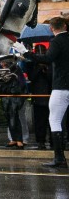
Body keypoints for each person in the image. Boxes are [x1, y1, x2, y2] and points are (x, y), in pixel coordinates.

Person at [23, 16, 69, 168]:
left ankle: (60, 158)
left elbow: (48, 58)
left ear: (51, 28)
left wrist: (27, 53)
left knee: (55, 120)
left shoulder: (56, 41)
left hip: (61, 86)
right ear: (64, 26)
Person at [28, 44, 53, 150]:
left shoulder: (51, 63)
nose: (40, 54)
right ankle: (41, 141)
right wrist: (39, 68)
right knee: (40, 121)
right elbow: (31, 78)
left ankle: (53, 141)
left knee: (52, 121)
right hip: (38, 98)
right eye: (38, 52)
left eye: (42, 52)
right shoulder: (33, 64)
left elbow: (52, 78)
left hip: (50, 97)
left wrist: (46, 70)